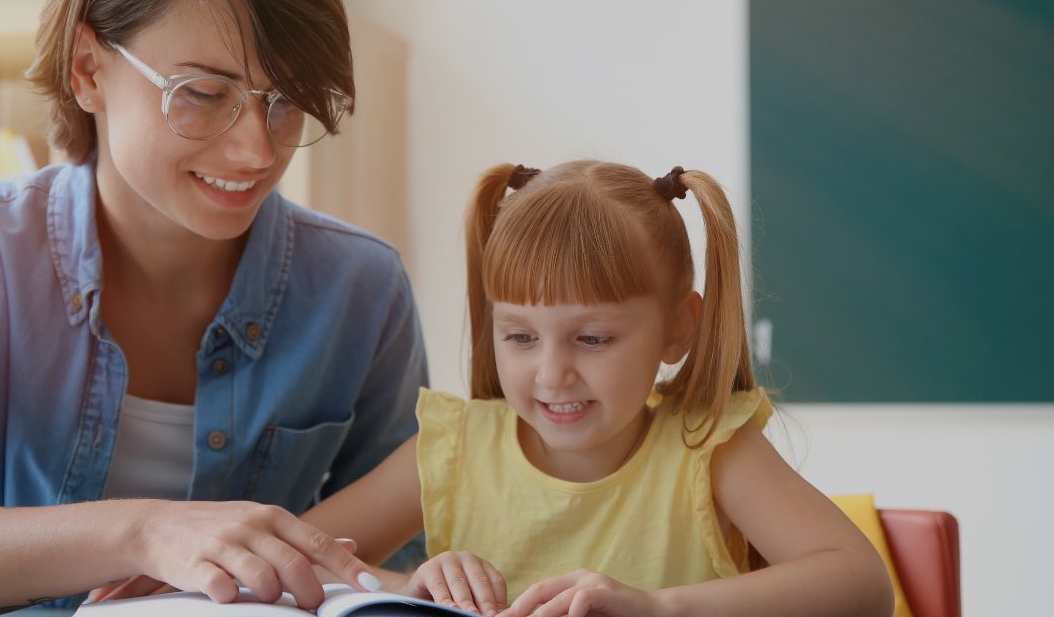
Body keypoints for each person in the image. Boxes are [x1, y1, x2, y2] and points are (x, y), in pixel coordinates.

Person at [0, 0, 428, 615]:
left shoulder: (363, 291)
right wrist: (144, 533)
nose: (257, 149)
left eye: (286, 100)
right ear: (88, 69)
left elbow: (392, 578)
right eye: (202, 92)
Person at [296, 161, 894, 616]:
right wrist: (413, 587)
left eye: (593, 339)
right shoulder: (453, 449)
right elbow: (295, 560)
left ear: (677, 328)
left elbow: (864, 584)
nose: (552, 374)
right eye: (521, 337)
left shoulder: (709, 448)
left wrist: (659, 607)